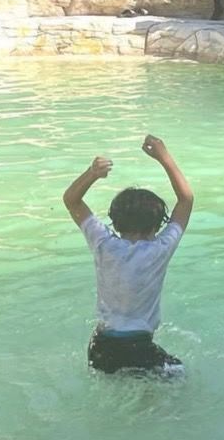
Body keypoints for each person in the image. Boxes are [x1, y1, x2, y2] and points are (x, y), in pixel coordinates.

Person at [63, 136, 194, 374]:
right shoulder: (160, 249)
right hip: (139, 348)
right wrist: (164, 157)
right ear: (156, 226)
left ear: (114, 222)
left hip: (100, 347)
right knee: (178, 374)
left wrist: (92, 173)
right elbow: (186, 199)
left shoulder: (103, 243)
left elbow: (71, 200)